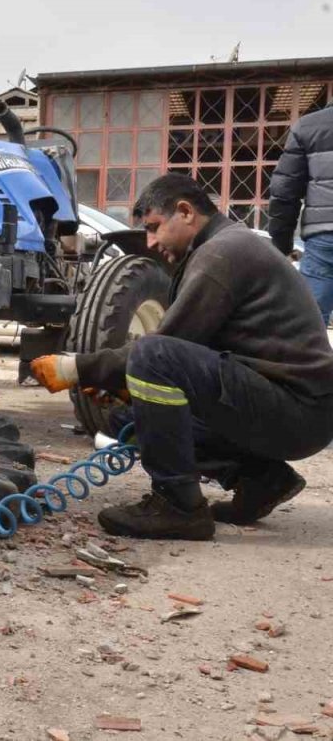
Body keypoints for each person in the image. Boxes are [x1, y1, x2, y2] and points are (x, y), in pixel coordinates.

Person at [29, 174, 333, 540]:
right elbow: (198, 354)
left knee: (151, 354)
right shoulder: (222, 248)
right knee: (126, 419)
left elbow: (164, 347)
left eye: (155, 227)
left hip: (299, 409)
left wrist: (73, 367)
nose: (151, 242)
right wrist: (128, 388)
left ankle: (178, 505)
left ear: (186, 212)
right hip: (285, 408)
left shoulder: (223, 252)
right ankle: (262, 480)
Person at [268, 104, 333, 326]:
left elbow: (285, 192)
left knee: (310, 324)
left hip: (323, 238)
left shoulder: (308, 126)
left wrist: (282, 244)